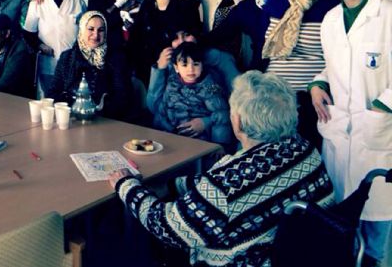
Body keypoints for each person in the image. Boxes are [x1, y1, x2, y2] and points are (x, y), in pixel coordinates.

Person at [109, 71, 334, 267]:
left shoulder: (225, 185)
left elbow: (166, 225)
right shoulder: (305, 149)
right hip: (306, 256)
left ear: (237, 122)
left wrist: (126, 185)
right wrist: (171, 184)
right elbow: (224, 188)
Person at [310, 0, 391, 266]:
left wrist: (382, 107)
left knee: (377, 227)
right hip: (339, 132)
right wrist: (317, 84)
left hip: (377, 135)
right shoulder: (330, 18)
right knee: (343, 223)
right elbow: (335, 67)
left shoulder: (387, 14)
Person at [262, 0, 338, 148]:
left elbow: (338, 58)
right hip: (273, 91)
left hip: (310, 93)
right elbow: (263, 48)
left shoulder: (332, 1)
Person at [128, 0, 201, 86]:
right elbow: (136, 39)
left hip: (178, 66)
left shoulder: (187, 5)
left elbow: (193, 41)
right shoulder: (146, 5)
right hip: (148, 66)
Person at [48, 11, 131, 121]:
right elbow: (53, 93)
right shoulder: (67, 57)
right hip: (71, 119)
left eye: (101, 30)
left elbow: (122, 98)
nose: (96, 35)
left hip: (105, 121)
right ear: (82, 30)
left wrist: (99, 109)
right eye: (91, 29)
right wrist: (71, 107)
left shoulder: (116, 59)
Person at [146, 41, 232, 146]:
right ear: (176, 67)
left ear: (202, 65)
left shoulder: (210, 88)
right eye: (184, 64)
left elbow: (222, 115)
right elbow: (157, 107)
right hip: (167, 136)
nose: (191, 69)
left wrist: (219, 145)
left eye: (196, 64)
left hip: (198, 140)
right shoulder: (171, 82)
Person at [22, 0, 86, 96]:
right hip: (48, 62)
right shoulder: (37, 3)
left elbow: (86, 33)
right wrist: (40, 46)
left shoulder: (78, 3)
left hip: (73, 62)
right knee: (49, 100)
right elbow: (28, 34)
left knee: (72, 100)